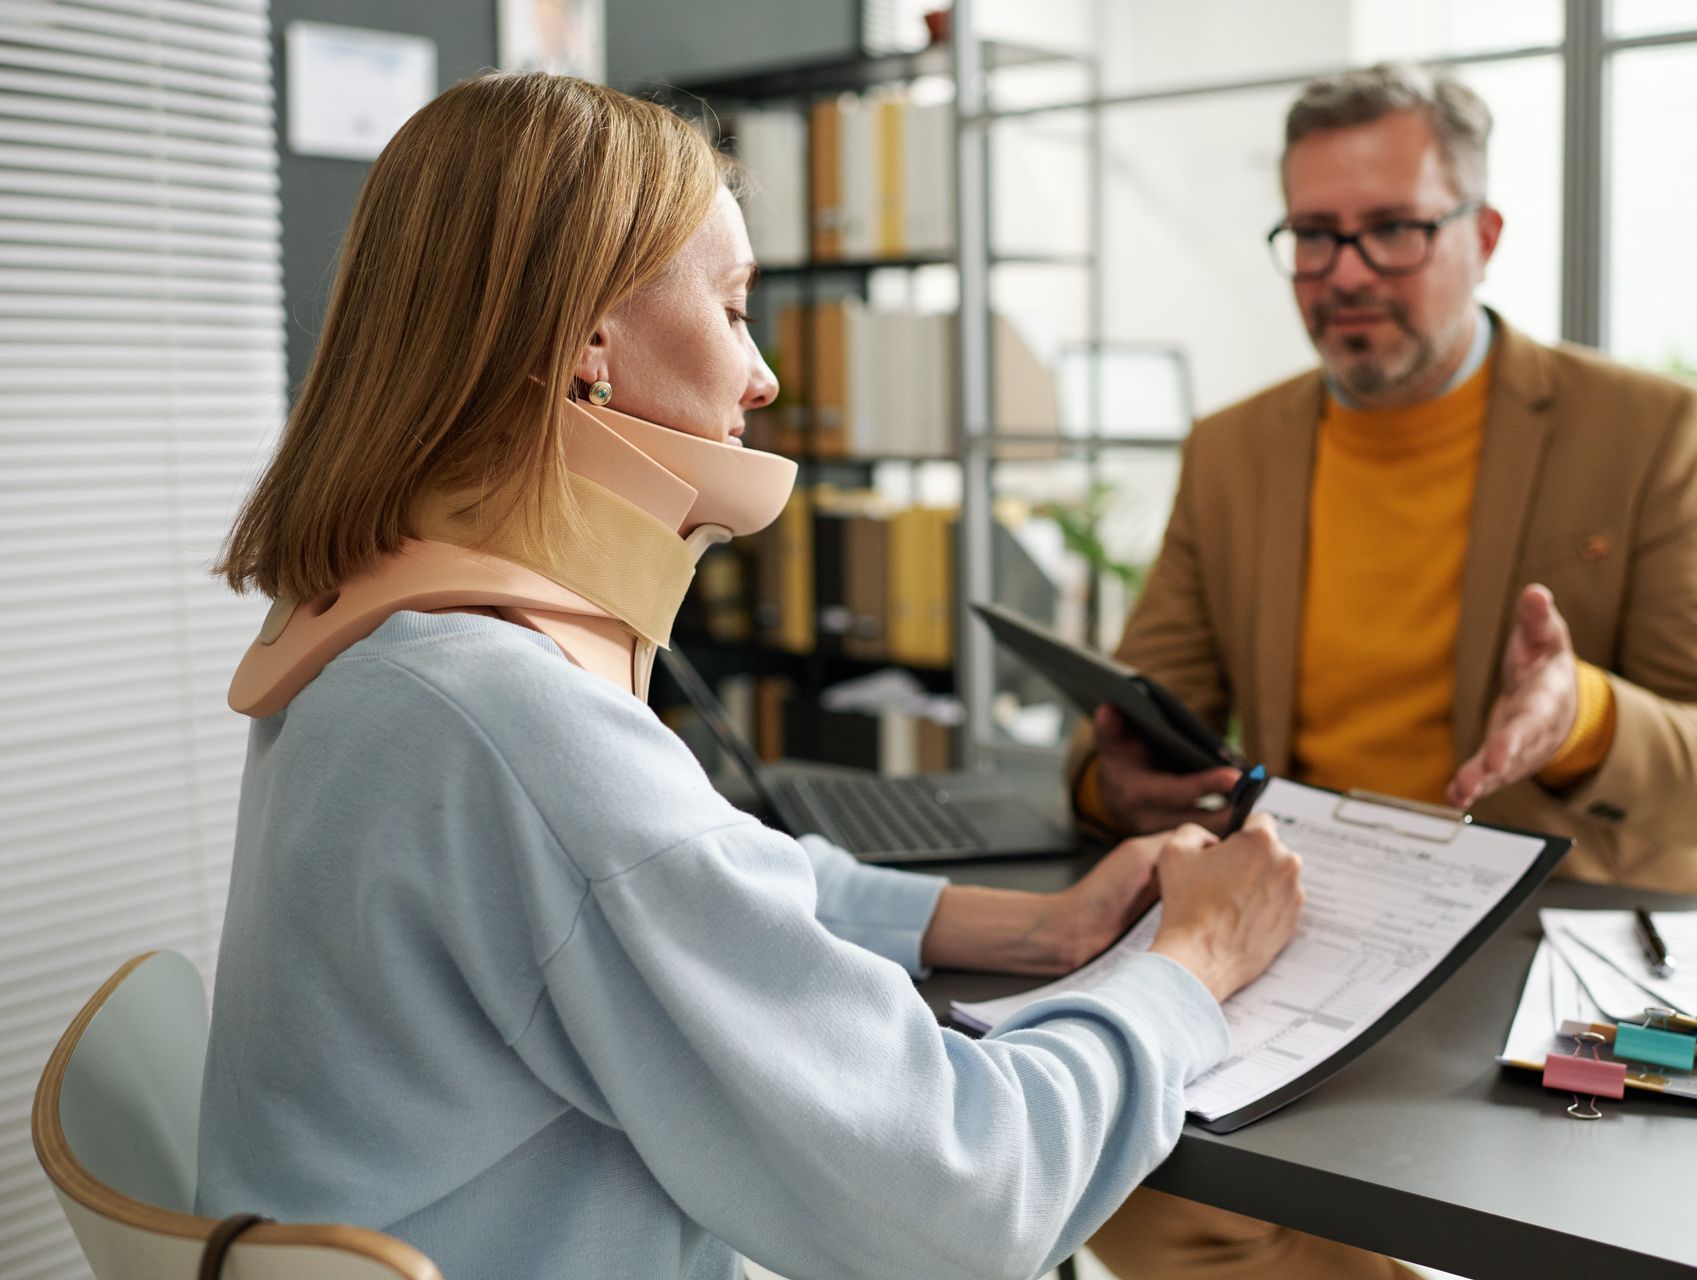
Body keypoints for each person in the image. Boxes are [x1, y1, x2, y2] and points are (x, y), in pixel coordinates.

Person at [197, 72, 1309, 1280]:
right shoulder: (509, 717)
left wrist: (1034, 925)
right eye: (733, 309)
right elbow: (967, 1195)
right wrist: (1188, 966)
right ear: (588, 344)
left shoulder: (376, 636)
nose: (763, 374)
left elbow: (675, 880)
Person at [1070, 63, 1697, 1280]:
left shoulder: (1643, 430)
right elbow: (1138, 715)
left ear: (1484, 234)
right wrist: (1111, 785)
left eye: (1393, 229)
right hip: (1320, 936)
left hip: (1553, 947)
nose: (1346, 270)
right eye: (1313, 235)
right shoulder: (1234, 451)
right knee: (1138, 1187)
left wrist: (1583, 715)